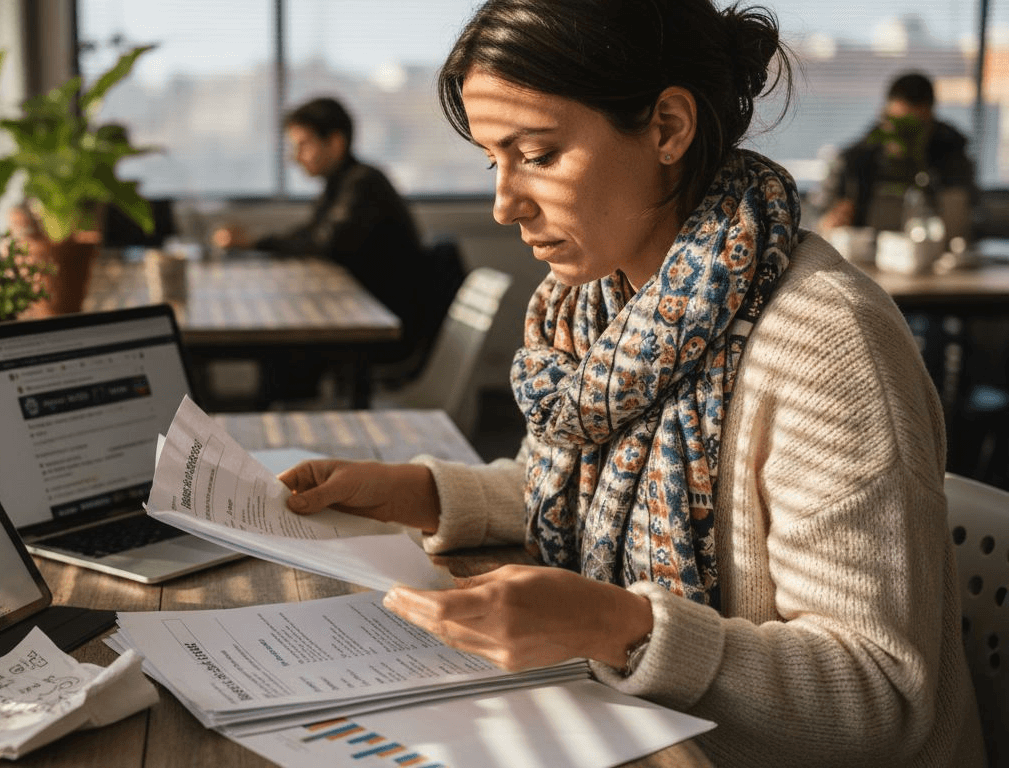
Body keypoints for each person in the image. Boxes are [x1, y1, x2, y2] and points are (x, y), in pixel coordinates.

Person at [277, 2, 983, 765]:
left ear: (668, 129)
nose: (504, 204)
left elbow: (879, 696)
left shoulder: (825, 344)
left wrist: (619, 627)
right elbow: (579, 491)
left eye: (538, 155)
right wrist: (420, 492)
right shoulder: (604, 302)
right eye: (495, 160)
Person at [213, 97, 438, 365]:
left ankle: (283, 404)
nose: (295, 157)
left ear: (335, 142)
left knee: (282, 340)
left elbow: (325, 243)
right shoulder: (340, 183)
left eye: (303, 145)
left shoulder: (362, 184)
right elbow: (310, 233)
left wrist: (251, 243)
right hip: (365, 316)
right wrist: (253, 242)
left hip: (383, 329)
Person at [814, 71, 977, 234]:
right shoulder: (853, 162)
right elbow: (814, 217)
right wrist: (829, 221)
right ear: (884, 116)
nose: (903, 136)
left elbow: (976, 218)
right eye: (897, 124)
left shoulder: (953, 161)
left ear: (931, 121)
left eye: (913, 128)